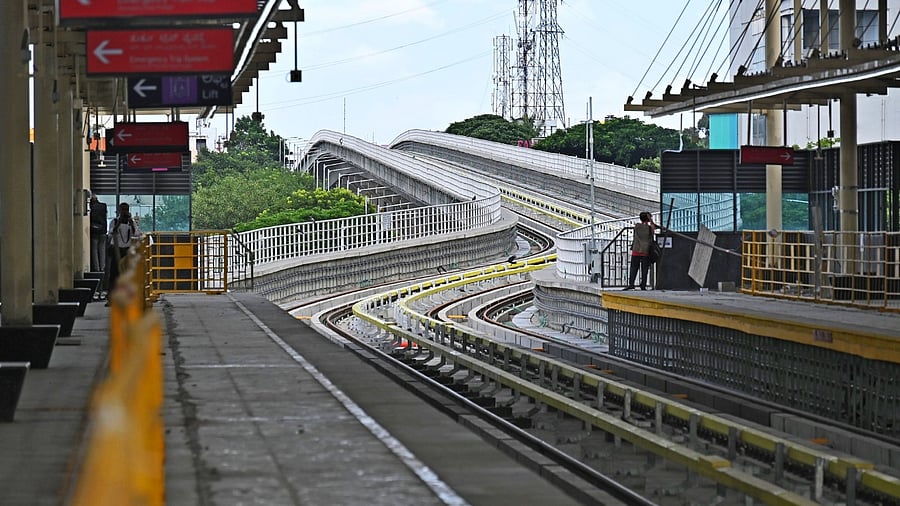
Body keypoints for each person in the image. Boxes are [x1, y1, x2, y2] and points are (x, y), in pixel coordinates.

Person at [106, 202, 141, 301]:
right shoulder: (114, 221)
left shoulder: (131, 222)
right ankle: (111, 296)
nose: (124, 212)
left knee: (128, 273)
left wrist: (132, 224)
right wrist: (118, 223)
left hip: (127, 250)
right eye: (123, 210)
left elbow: (137, 234)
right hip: (116, 249)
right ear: (119, 210)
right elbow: (111, 233)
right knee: (114, 274)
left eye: (126, 209)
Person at [625, 211, 658, 291]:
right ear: (648, 219)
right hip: (645, 251)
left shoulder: (637, 226)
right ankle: (643, 285)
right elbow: (653, 229)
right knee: (644, 269)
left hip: (636, 250)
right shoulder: (649, 228)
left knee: (633, 268)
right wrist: (651, 220)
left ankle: (631, 284)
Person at [88, 192, 108, 274]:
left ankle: (97, 268)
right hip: (103, 230)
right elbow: (105, 217)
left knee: (94, 249)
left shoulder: (91, 207)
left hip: (94, 230)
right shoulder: (103, 205)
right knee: (102, 249)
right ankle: (102, 267)